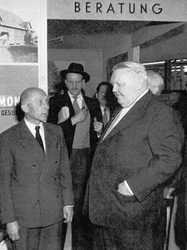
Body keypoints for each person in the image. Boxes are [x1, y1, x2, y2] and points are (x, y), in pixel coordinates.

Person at [85, 61, 184, 250]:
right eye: (113, 84)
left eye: (119, 84)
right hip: (106, 210)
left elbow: (170, 158)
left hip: (132, 213)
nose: (113, 90)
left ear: (139, 83)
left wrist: (131, 186)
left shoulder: (160, 113)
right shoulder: (122, 110)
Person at [0, 87, 74, 250]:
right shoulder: (8, 138)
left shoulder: (56, 131)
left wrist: (68, 203)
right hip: (24, 216)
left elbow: (64, 170)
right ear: (25, 108)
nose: (46, 106)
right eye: (40, 102)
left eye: (46, 101)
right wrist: (9, 220)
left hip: (53, 212)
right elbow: (3, 184)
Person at [47, 62, 103, 250]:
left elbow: (100, 135)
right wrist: (72, 120)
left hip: (86, 157)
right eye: (70, 82)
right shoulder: (55, 103)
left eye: (77, 82)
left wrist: (99, 130)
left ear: (83, 83)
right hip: (65, 157)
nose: (74, 86)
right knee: (63, 202)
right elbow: (50, 134)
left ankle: (81, 247)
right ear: (65, 82)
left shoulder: (93, 103)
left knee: (81, 206)